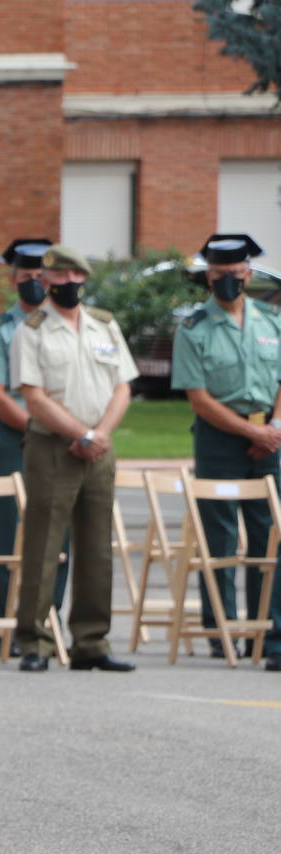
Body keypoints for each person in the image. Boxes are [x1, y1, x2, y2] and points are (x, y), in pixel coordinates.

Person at [9, 243, 138, 672]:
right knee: (45, 544)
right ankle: (35, 641)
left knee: (97, 545)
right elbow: (33, 397)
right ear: (43, 282)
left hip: (98, 447)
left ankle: (91, 642)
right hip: (53, 446)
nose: (68, 285)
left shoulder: (104, 326)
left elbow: (122, 387)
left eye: (75, 277)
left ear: (84, 279)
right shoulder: (32, 329)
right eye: (59, 278)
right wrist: (80, 432)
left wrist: (99, 434)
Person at [171, 234, 281, 671]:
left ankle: (269, 631)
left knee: (269, 535)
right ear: (208, 278)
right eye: (218, 277)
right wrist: (245, 432)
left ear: (248, 275)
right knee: (219, 535)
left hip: (268, 435)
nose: (228, 283)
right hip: (219, 438)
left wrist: (272, 429)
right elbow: (198, 398)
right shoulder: (194, 327)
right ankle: (222, 630)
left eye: (235, 276)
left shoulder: (271, 322)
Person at [0, 238, 69, 656]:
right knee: (7, 533)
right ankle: (1, 628)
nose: (34, 283)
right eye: (26, 276)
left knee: (56, 536)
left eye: (40, 276)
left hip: (63, 441)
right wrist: (40, 426)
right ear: (13, 279)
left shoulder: (67, 325)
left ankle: (48, 624)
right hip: (18, 440)